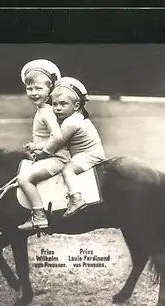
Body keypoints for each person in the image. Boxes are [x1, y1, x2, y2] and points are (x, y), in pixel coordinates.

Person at [16, 60, 71, 231]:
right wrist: (34, 146)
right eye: (29, 88)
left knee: (23, 179)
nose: (33, 93)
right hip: (51, 155)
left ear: (50, 89)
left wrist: (43, 151)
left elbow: (57, 136)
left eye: (38, 88)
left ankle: (39, 215)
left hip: (57, 158)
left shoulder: (46, 110)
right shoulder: (42, 108)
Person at [50, 77, 106, 218]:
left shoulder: (71, 122)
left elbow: (55, 143)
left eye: (63, 104)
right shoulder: (76, 117)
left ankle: (76, 199)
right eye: (54, 104)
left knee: (68, 169)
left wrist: (38, 149)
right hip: (87, 153)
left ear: (76, 106)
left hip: (89, 154)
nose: (57, 108)